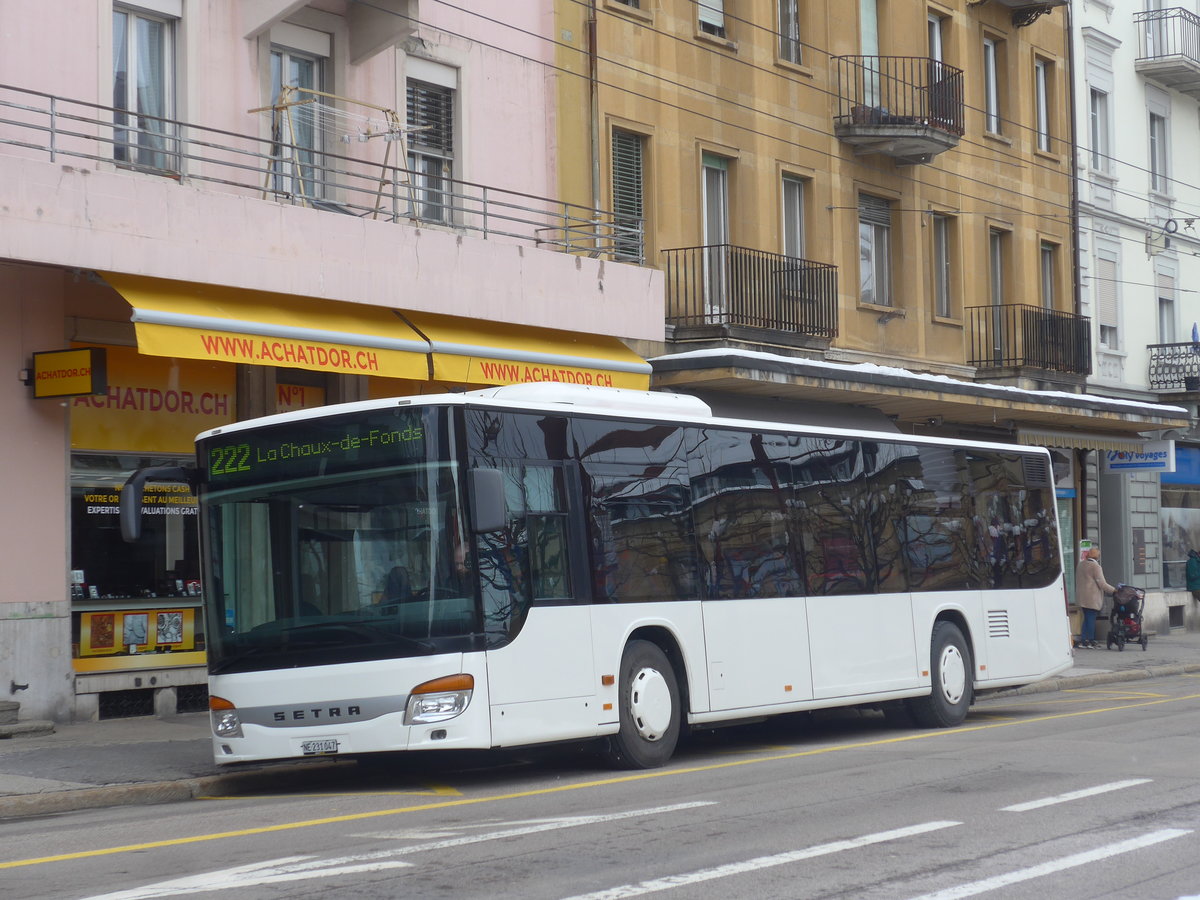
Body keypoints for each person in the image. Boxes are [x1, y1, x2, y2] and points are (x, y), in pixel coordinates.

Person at [1075, 545, 1115, 649]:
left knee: (1086, 619)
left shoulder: (1080, 565)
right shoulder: (1096, 567)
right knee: (1091, 619)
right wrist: (1114, 590)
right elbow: (1102, 584)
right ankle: (1090, 640)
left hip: (1082, 597)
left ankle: (1084, 640)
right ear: (1097, 557)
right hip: (1092, 597)